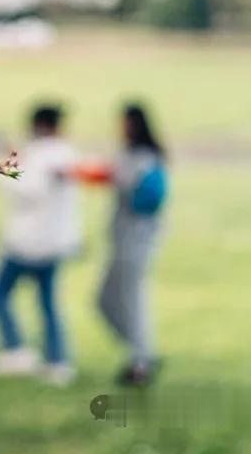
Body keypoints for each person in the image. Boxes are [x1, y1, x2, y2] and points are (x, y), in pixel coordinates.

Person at [77, 103, 169, 386]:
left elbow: (111, 176)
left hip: (136, 242)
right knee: (106, 301)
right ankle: (142, 353)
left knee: (130, 301)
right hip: (126, 241)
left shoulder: (140, 158)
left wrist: (77, 171)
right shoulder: (141, 157)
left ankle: (141, 359)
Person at [0, 104, 80, 386]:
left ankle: (16, 349)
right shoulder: (66, 154)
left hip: (27, 243)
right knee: (48, 303)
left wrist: (9, 163)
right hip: (55, 243)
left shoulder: (40, 155)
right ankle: (58, 360)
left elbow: (26, 190)